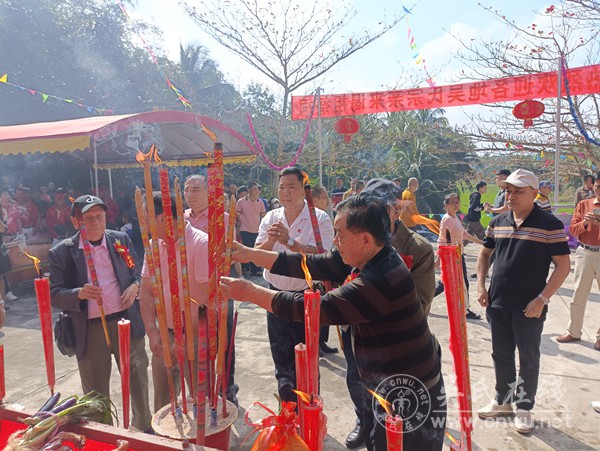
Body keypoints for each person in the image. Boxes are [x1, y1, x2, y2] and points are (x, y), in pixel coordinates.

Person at [221, 193, 446, 451]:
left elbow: (315, 309)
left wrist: (250, 293)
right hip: (383, 386)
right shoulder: (370, 254)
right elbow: (307, 263)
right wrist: (249, 254)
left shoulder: (382, 277)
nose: (335, 241)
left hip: (410, 395)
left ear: (365, 238)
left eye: (339, 233)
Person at [341, 178, 436, 448]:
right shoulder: (353, 236)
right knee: (357, 379)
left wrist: (367, 299)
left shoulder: (417, 249)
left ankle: (383, 432)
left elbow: (419, 303)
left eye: (377, 209)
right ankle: (363, 421)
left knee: (391, 401)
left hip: (393, 343)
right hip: (356, 331)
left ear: (395, 210)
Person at [476, 169, 570, 434]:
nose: (511, 195)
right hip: (497, 301)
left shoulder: (549, 223)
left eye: (518, 190)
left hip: (530, 305)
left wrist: (542, 298)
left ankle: (524, 407)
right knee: (501, 354)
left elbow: (563, 265)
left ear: (533, 193)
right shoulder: (499, 221)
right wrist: (482, 286)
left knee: (528, 357)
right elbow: (484, 254)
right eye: (508, 190)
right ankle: (503, 400)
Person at [48, 195, 152, 432]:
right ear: (76, 222)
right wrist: (79, 293)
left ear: (106, 217)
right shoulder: (62, 252)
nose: (95, 222)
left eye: (99, 216)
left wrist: (135, 286)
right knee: (95, 392)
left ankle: (144, 428)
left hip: (126, 322)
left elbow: (138, 273)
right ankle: (104, 433)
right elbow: (54, 294)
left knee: (138, 379)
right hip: (91, 327)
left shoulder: (120, 239)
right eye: (88, 218)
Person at [255, 167, 334, 403]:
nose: (286, 192)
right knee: (281, 356)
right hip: (275, 295)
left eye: (291, 187)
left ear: (303, 189)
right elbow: (256, 254)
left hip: (305, 295)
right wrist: (271, 240)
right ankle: (287, 412)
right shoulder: (270, 217)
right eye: (282, 187)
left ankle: (309, 411)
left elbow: (322, 256)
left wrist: (289, 242)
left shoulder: (319, 218)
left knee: (307, 357)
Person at [139, 191, 211, 411]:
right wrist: (153, 333)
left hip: (195, 336)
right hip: (165, 333)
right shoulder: (153, 245)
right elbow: (147, 292)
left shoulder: (200, 244)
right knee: (164, 402)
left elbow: (206, 299)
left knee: (201, 400)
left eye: (146, 218)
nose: (143, 224)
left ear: (163, 219)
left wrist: (184, 340)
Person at [182, 175, 239, 403]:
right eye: (187, 190)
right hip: (189, 292)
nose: (190, 194)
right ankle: (200, 391)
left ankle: (227, 389)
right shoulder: (180, 218)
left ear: (209, 193)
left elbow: (231, 254)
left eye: (195, 189)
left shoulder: (223, 219)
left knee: (222, 342)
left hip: (219, 290)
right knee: (194, 342)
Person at [556, 175, 600, 351]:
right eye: (597, 187)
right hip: (585, 252)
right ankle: (574, 331)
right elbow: (573, 230)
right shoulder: (584, 204)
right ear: (592, 187)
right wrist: (586, 222)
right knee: (579, 295)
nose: (598, 190)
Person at [434, 193, 483, 320]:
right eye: (453, 202)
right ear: (446, 205)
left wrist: (482, 242)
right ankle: (465, 310)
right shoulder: (446, 220)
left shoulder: (455, 218)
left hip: (458, 255)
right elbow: (442, 240)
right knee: (458, 283)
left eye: (457, 202)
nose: (456, 205)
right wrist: (439, 259)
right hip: (451, 257)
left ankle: (421, 299)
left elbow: (465, 235)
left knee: (449, 283)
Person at [237, 182, 266, 275]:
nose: (256, 191)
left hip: (256, 229)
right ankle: (245, 267)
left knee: (255, 249)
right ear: (248, 190)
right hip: (244, 228)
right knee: (246, 248)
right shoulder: (241, 201)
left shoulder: (260, 202)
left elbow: (263, 215)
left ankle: (255, 270)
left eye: (258, 189)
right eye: (254, 189)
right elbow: (237, 214)